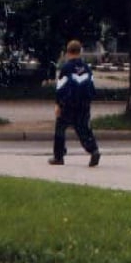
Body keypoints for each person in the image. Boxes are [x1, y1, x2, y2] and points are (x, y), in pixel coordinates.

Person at [50, 39, 99, 167]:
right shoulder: (86, 68)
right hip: (84, 104)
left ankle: (58, 156)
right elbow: (91, 87)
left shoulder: (66, 68)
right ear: (80, 52)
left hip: (68, 104)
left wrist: (58, 104)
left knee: (60, 128)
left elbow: (61, 88)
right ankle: (93, 150)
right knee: (84, 128)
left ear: (68, 52)